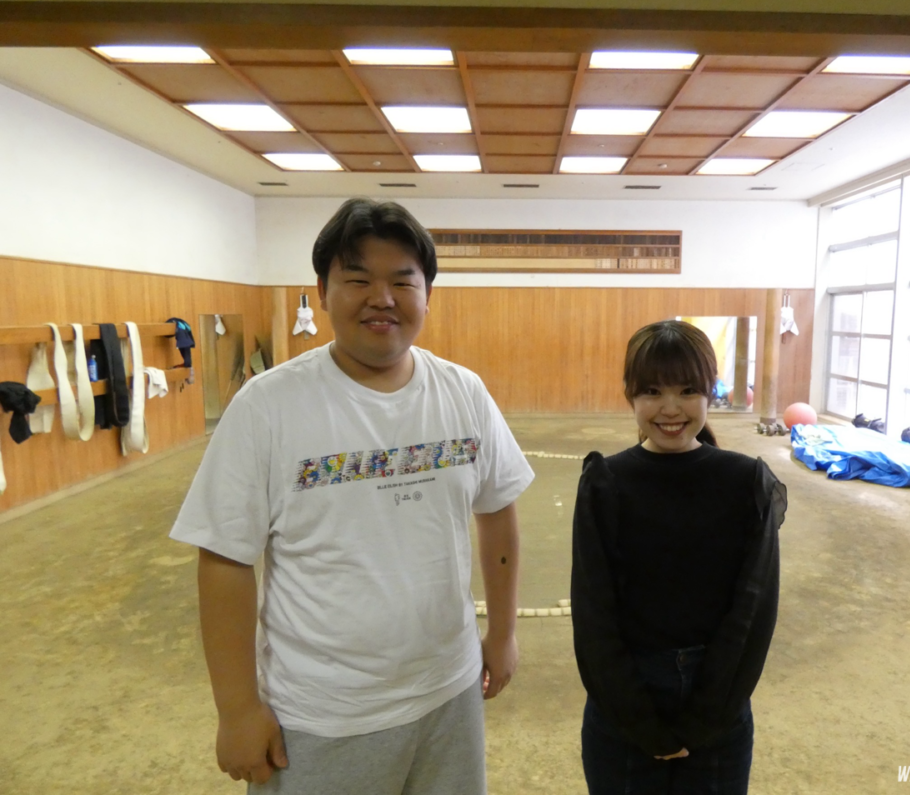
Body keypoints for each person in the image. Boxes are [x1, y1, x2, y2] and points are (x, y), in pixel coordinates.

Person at [170, 198, 534, 794]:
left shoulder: (463, 392)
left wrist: (502, 632)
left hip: (450, 691)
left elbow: (497, 512)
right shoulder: (267, 406)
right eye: (358, 280)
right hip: (323, 715)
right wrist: (237, 709)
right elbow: (225, 558)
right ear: (323, 291)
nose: (381, 298)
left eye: (402, 281)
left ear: (428, 293)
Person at [570, 319, 786, 795]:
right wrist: (639, 723)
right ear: (630, 394)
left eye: (687, 390)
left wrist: (705, 719)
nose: (670, 408)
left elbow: (753, 608)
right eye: (652, 391)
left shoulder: (745, 482)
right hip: (623, 707)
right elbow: (593, 615)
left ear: (710, 392)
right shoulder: (606, 483)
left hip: (720, 699)